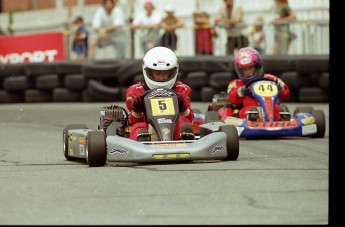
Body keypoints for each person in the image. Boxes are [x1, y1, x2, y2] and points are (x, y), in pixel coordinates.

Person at [125, 46, 194, 141]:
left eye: (165, 73)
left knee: (183, 123)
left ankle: (186, 138)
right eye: (157, 73)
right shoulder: (135, 91)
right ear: (148, 71)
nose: (161, 78)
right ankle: (142, 140)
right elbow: (132, 122)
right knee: (138, 126)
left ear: (173, 72)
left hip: (174, 129)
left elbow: (189, 119)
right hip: (148, 130)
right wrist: (137, 110)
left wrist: (183, 107)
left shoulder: (182, 89)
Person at [223, 47, 290, 121]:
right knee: (251, 111)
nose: (248, 71)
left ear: (256, 66)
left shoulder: (270, 78)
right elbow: (232, 98)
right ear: (240, 70)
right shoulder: (236, 83)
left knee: (278, 109)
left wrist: (280, 88)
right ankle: (252, 119)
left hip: (270, 106)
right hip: (247, 109)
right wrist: (241, 92)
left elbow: (286, 93)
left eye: (250, 68)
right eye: (244, 69)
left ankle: (282, 120)